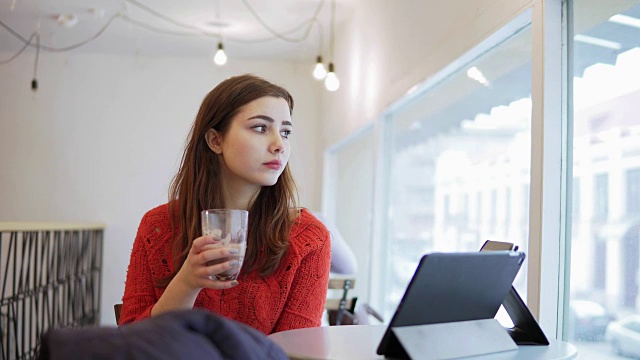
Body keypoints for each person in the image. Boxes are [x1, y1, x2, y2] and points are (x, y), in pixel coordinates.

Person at [119, 74, 332, 335]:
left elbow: (297, 351)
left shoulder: (308, 238)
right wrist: (186, 283)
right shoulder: (158, 227)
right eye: (260, 128)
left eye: (285, 132)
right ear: (215, 141)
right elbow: (130, 339)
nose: (279, 145)